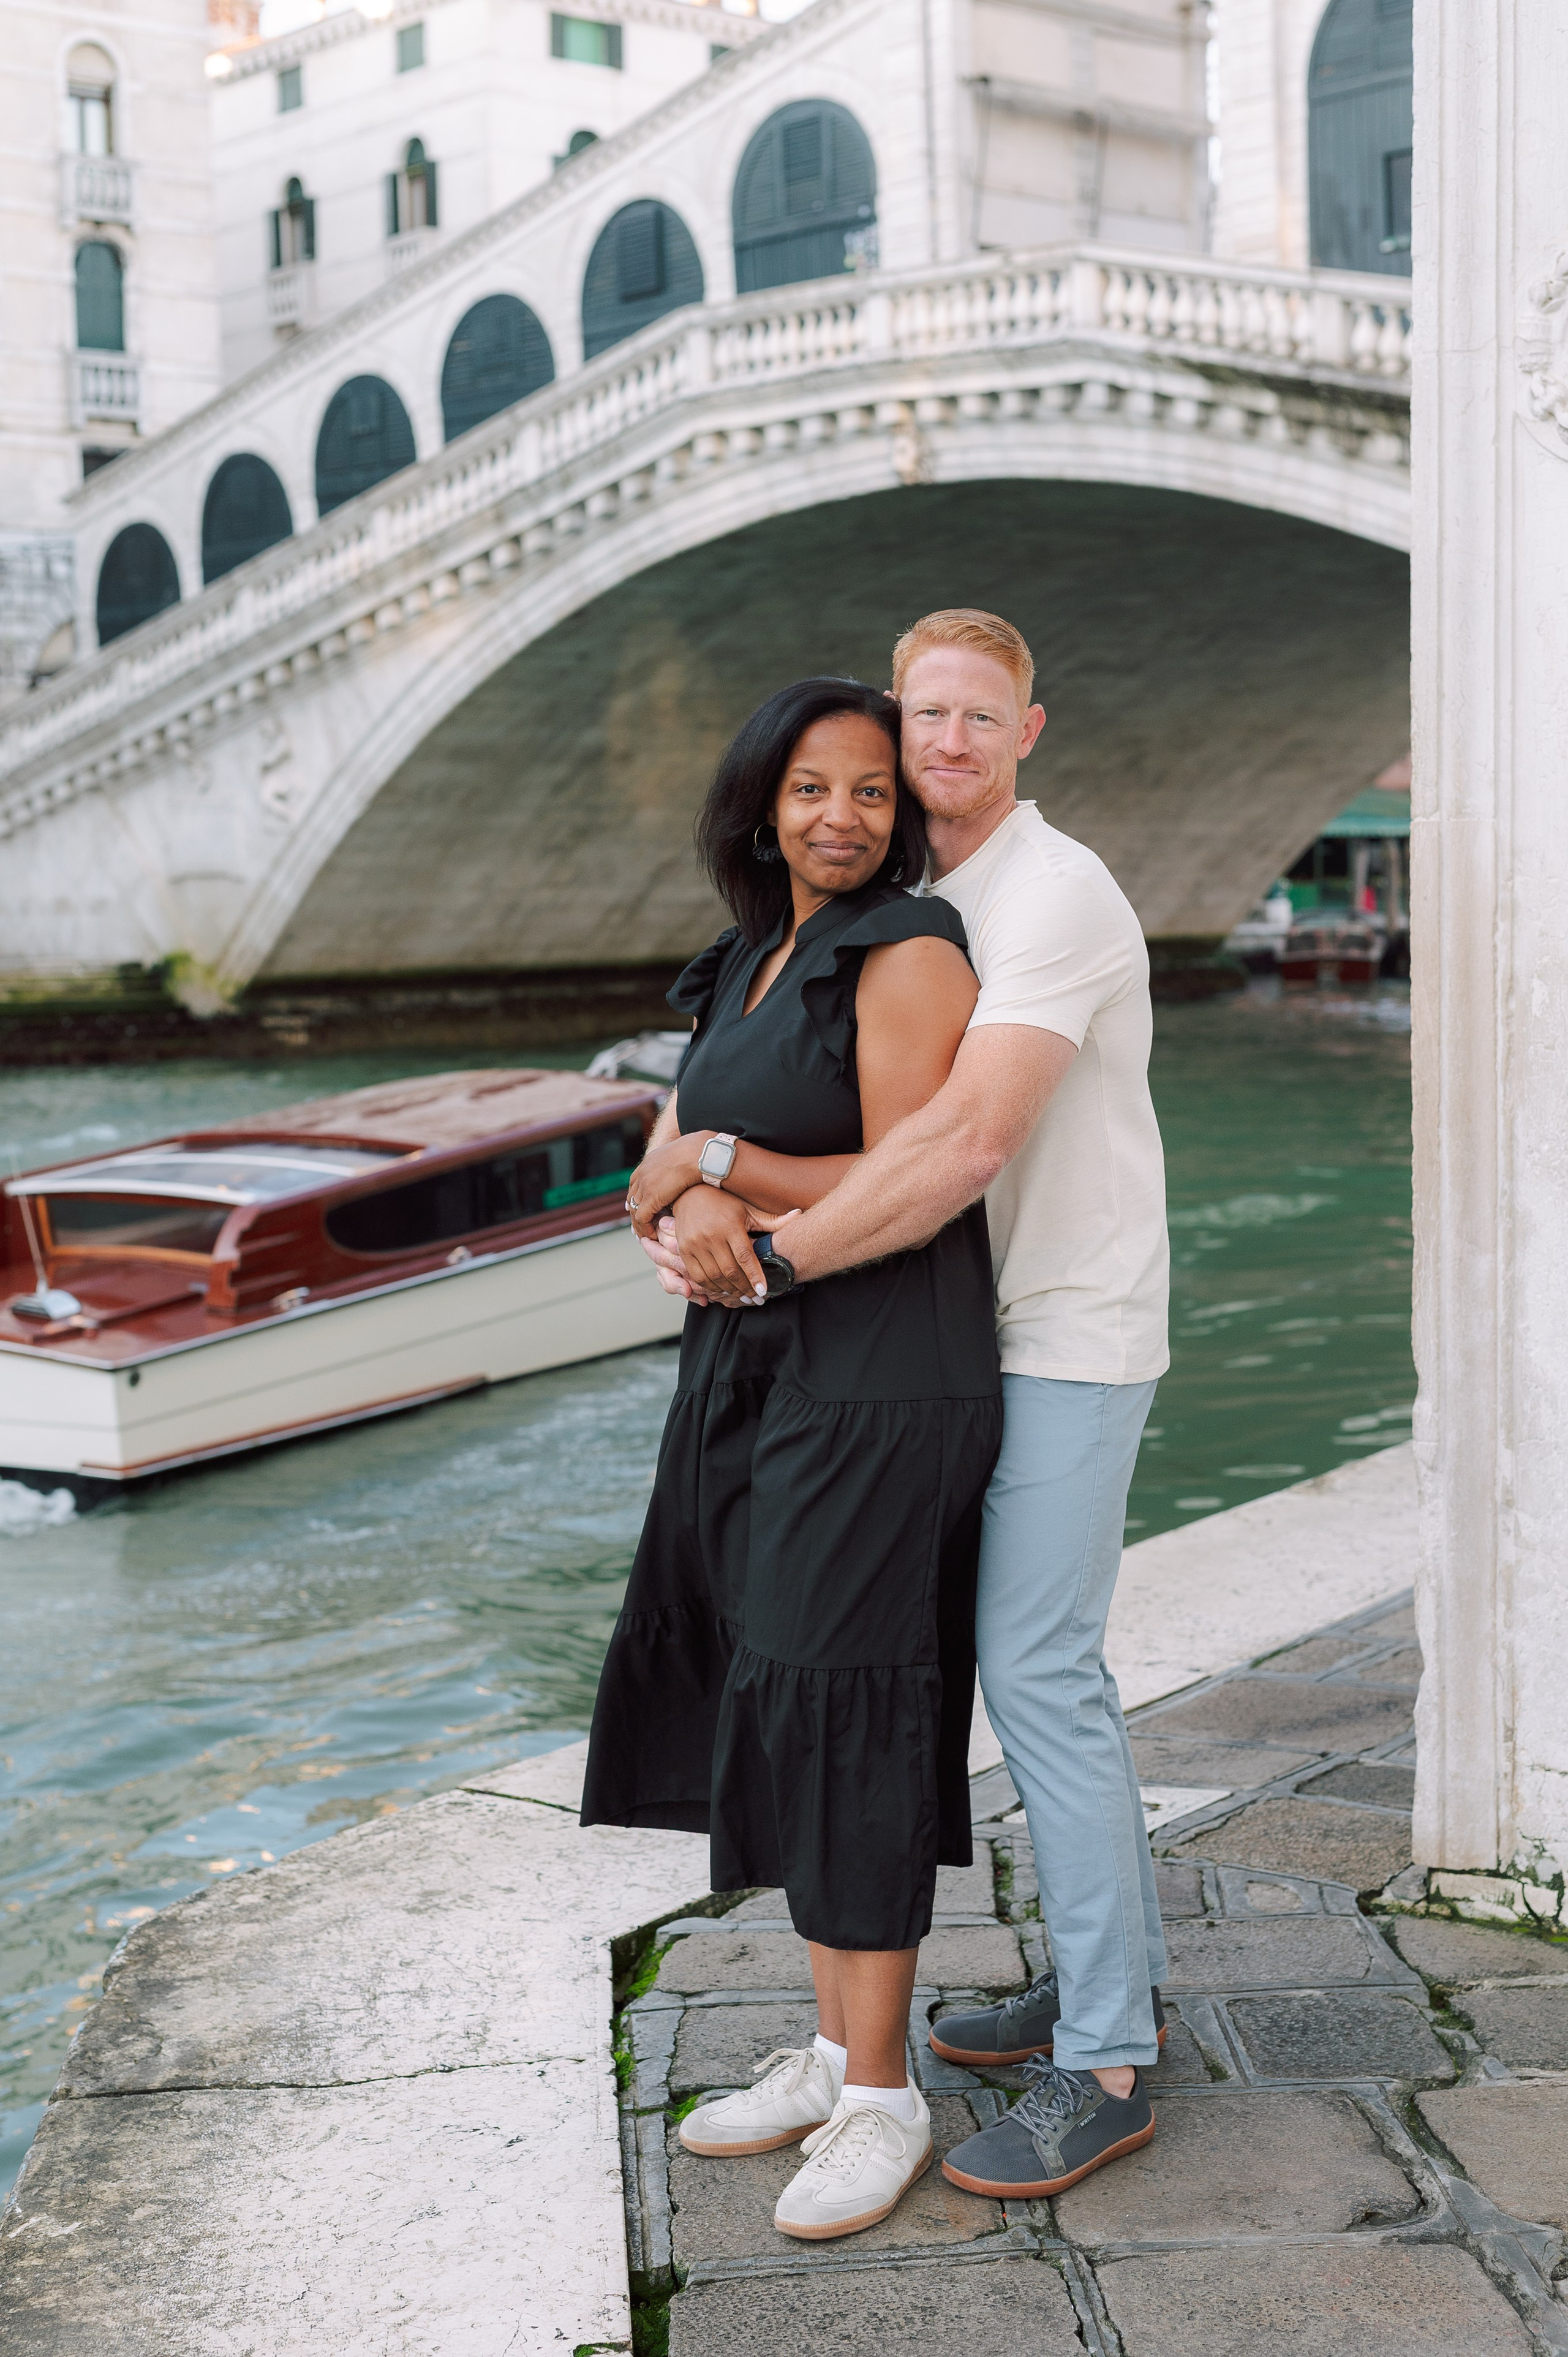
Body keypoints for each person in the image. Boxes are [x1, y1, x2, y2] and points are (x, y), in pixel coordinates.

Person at [641, 610, 1171, 2201]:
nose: (943, 742)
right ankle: (1077, 1987)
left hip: (1065, 1333)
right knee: (927, 1668)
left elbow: (962, 1147)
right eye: (921, 715)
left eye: (975, 717)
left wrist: (770, 1254)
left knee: (1038, 1672)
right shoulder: (920, 899)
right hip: (950, 1347)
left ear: (1030, 729)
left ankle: (1112, 2059)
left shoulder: (1053, 894)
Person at [581, 675, 1003, 2241]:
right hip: (757, 1364)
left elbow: (908, 1171)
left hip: (885, 1375)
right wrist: (687, 1191)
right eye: (814, 788)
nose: (843, 816)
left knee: (852, 1706)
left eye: (874, 793)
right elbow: (653, 1174)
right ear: (763, 799)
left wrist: (712, 1168)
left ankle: (886, 2092)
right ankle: (833, 2054)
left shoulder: (905, 950)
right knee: (778, 1689)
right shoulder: (750, 961)